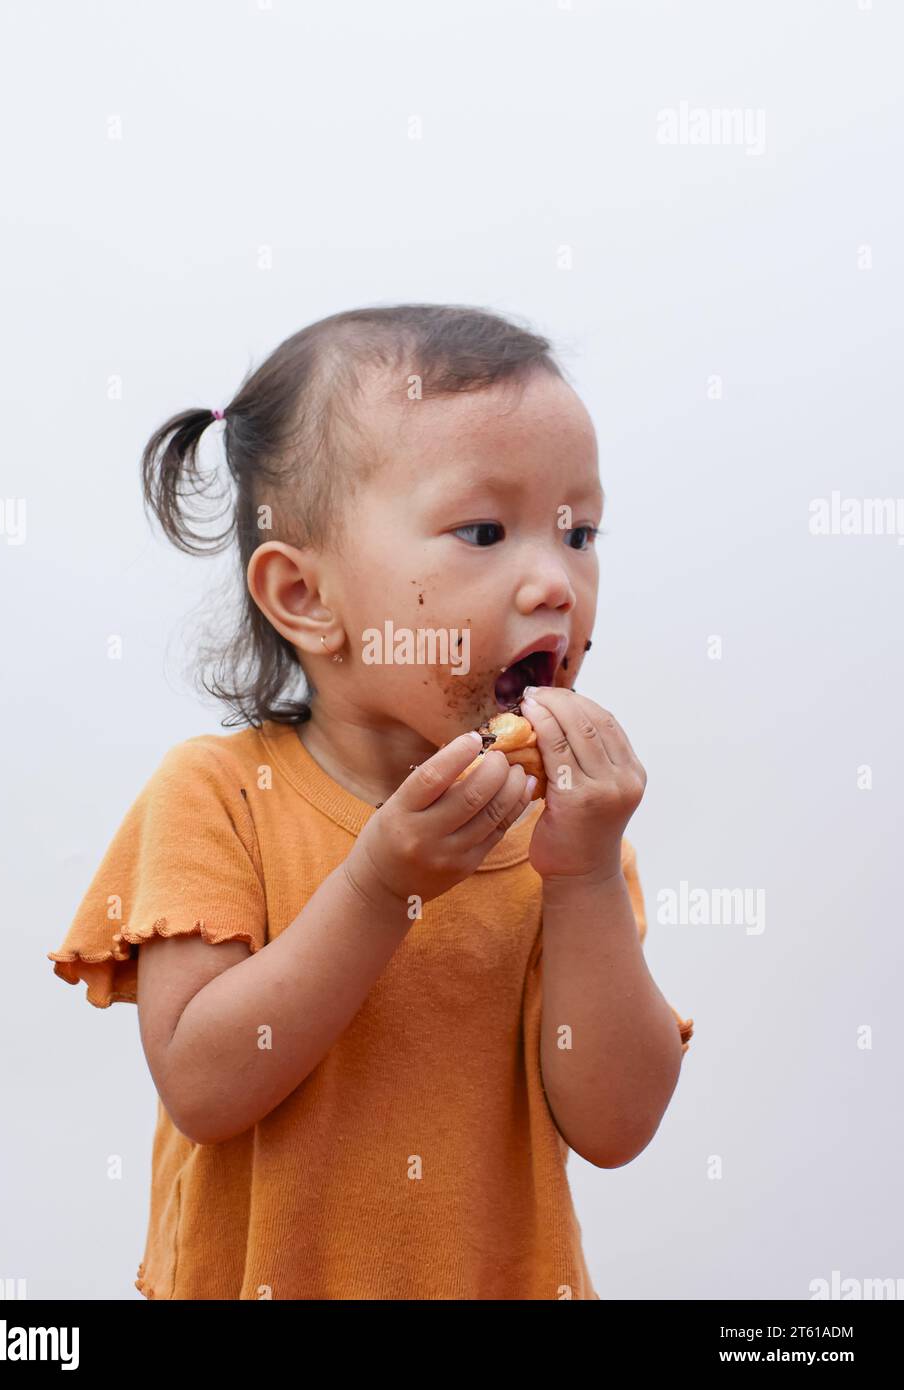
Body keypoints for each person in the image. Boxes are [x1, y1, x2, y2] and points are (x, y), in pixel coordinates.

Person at [47, 303, 694, 1300]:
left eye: (580, 531)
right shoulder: (218, 796)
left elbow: (614, 1126)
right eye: (485, 529)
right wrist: (382, 883)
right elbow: (204, 1083)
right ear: (305, 597)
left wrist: (591, 875)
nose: (556, 580)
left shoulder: (568, 834)